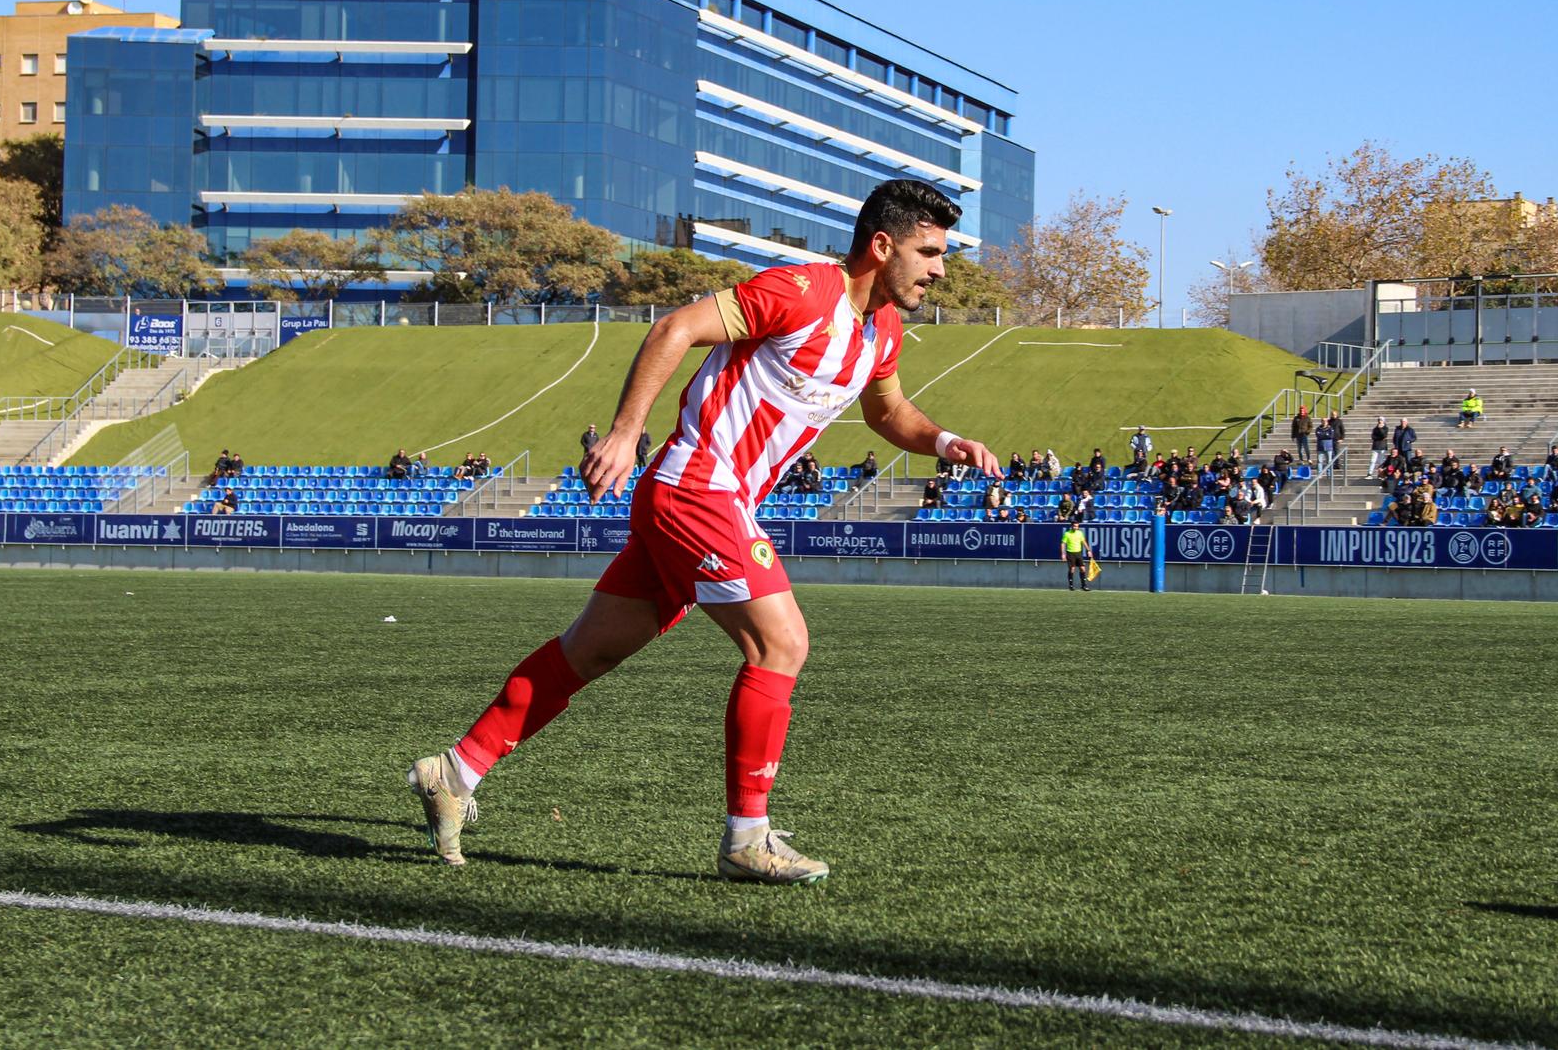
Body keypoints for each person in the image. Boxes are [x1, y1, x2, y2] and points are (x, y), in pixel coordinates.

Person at [406, 181, 994, 885]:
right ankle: (747, 837)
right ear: (881, 245)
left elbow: (889, 412)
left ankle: (455, 769)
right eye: (928, 252)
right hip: (696, 488)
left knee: (584, 654)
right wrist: (625, 433)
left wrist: (947, 439)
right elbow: (673, 329)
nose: (939, 269)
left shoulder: (882, 331)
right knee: (782, 642)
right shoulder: (802, 291)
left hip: (705, 500)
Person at [1060, 521, 1094, 590]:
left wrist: (1089, 550)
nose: (1075, 527)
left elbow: (1083, 542)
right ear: (1071, 526)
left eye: (1077, 526)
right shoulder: (1067, 534)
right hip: (1070, 553)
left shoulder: (1080, 533)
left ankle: (1084, 585)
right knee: (1072, 569)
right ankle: (1071, 585)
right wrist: (1063, 554)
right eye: (1074, 526)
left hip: (1078, 553)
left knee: (1082, 568)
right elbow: (1063, 543)